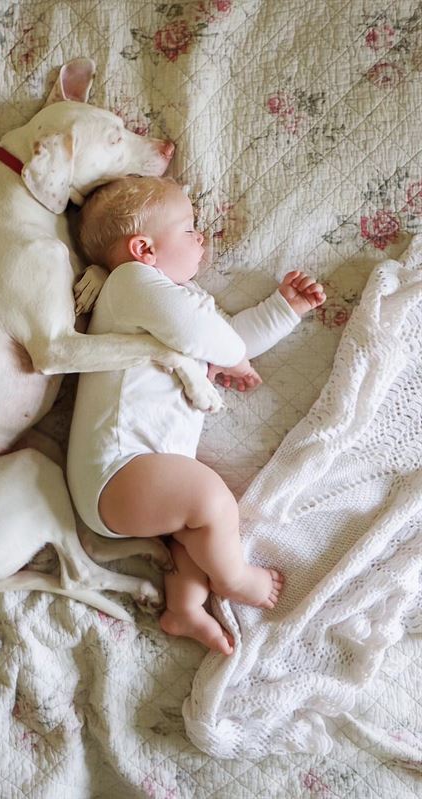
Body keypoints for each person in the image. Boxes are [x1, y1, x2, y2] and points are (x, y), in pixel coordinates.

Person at [67, 176, 326, 654]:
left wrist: (285, 309)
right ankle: (233, 578)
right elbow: (215, 343)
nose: (201, 238)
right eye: (189, 230)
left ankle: (183, 608)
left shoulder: (178, 304)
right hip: (118, 471)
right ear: (143, 248)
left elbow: (225, 340)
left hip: (139, 479)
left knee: (192, 535)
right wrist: (229, 355)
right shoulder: (131, 283)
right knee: (211, 501)